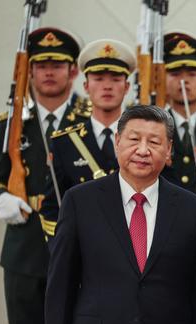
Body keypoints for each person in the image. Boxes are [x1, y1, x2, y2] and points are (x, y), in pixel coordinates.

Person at [44, 105, 196, 324]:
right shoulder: (80, 201)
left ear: (169, 150)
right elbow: (61, 283)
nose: (143, 150)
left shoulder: (193, 209)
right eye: (134, 139)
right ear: (117, 142)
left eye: (155, 142)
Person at [0, 27, 81, 324]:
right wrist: (1, 199)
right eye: (40, 65)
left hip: (79, 248)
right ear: (30, 71)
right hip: (25, 249)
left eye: (57, 64)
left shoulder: (90, 121)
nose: (49, 72)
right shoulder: (10, 122)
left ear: (73, 71)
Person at [39, 39, 135, 239]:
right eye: (98, 78)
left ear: (126, 87)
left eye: (116, 79)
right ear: (86, 86)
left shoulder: (143, 139)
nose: (107, 86)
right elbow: (51, 207)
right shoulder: (64, 142)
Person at [161, 34, 196, 195]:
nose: (183, 80)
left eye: (192, 74)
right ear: (164, 83)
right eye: (175, 73)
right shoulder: (155, 129)